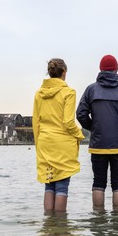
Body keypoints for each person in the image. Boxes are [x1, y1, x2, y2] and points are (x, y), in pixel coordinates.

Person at [77, 54, 118, 210]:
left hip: (98, 143)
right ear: (117, 69)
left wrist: (93, 127)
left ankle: (98, 217)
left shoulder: (91, 89)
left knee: (98, 182)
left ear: (100, 69)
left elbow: (81, 114)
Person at [33, 58, 85, 212]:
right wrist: (80, 135)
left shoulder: (39, 94)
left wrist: (38, 145)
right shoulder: (68, 92)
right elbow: (68, 122)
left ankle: (49, 224)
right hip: (62, 143)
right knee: (62, 186)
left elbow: (36, 123)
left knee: (49, 184)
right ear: (64, 73)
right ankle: (61, 228)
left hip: (44, 142)